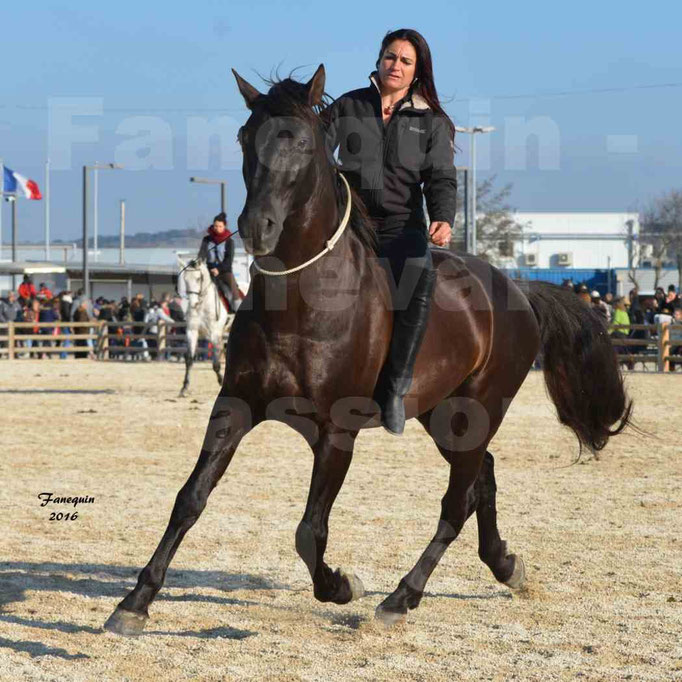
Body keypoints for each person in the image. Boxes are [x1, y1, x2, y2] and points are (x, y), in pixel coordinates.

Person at [324, 28, 457, 435]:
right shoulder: (348, 106)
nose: (395, 65)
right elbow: (313, 151)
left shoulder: (429, 120)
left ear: (417, 71)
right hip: (350, 223)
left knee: (419, 279)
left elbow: (440, 177)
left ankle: (394, 387)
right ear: (378, 60)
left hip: (403, 227)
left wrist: (443, 216)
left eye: (405, 61)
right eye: (390, 57)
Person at [199, 212, 241, 312]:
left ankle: (238, 311)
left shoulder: (229, 241)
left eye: (219, 226)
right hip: (209, 270)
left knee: (233, 290)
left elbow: (228, 260)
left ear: (224, 227)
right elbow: (201, 255)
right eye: (215, 226)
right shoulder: (207, 240)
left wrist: (218, 269)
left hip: (225, 271)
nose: (217, 228)